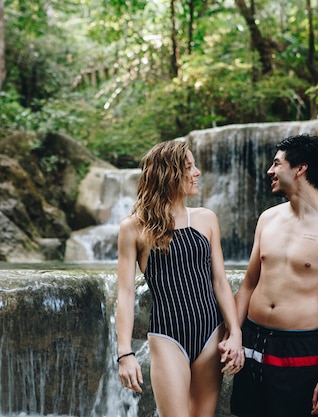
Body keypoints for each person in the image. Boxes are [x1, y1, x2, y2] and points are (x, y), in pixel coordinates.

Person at [228, 133, 318, 417]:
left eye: (277, 164)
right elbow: (249, 283)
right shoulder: (268, 218)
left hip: (300, 348)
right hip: (252, 341)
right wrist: (234, 334)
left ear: (301, 168)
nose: (270, 171)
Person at [116, 140, 244, 417]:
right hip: (167, 336)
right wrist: (124, 353)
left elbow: (219, 282)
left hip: (211, 333)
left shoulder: (207, 219)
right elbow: (125, 294)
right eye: (189, 167)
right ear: (167, 174)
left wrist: (235, 333)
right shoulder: (133, 227)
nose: (197, 172)